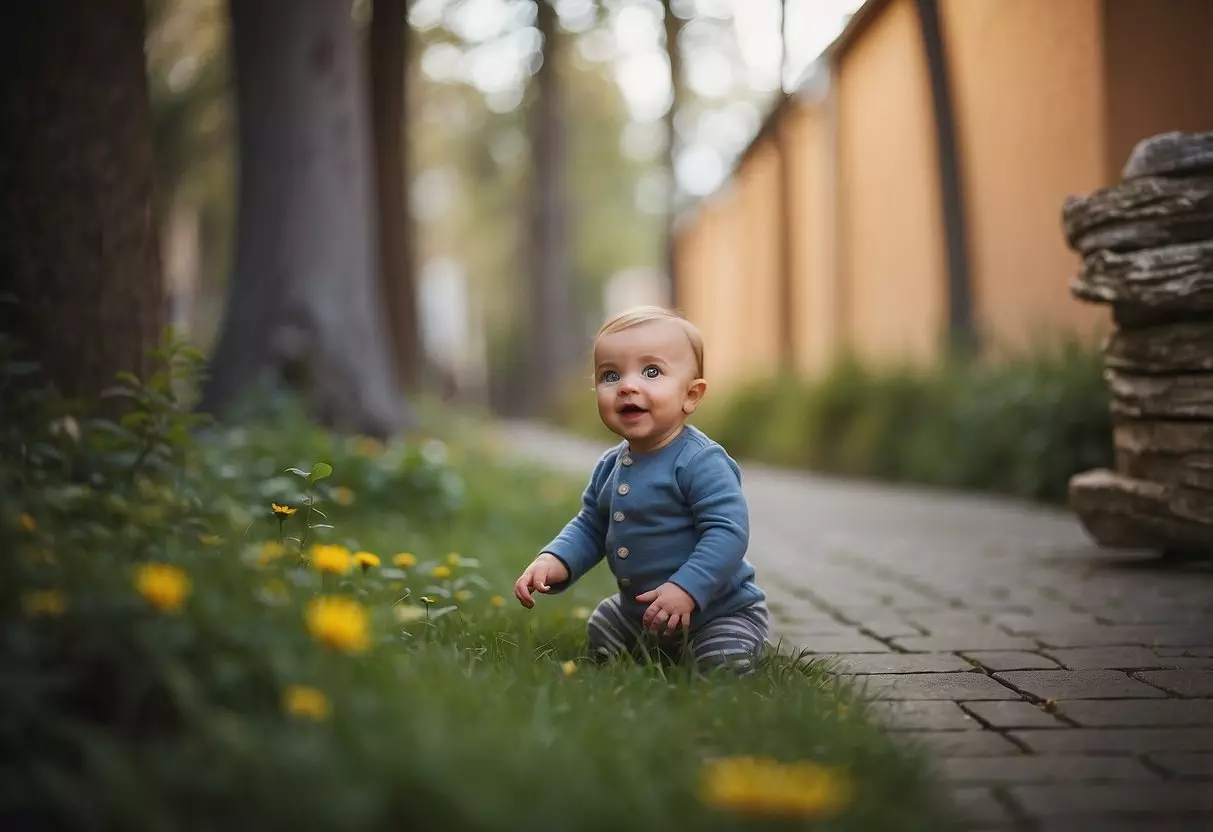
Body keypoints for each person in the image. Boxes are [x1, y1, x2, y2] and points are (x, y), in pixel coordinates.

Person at [512, 306, 769, 671]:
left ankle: (715, 648)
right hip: (642, 611)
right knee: (603, 626)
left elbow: (727, 532)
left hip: (716, 609)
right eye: (611, 375)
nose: (628, 386)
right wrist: (555, 560)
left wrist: (687, 589)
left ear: (691, 395)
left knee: (720, 657)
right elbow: (590, 526)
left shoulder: (700, 461)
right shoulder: (610, 466)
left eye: (652, 372)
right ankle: (651, 649)